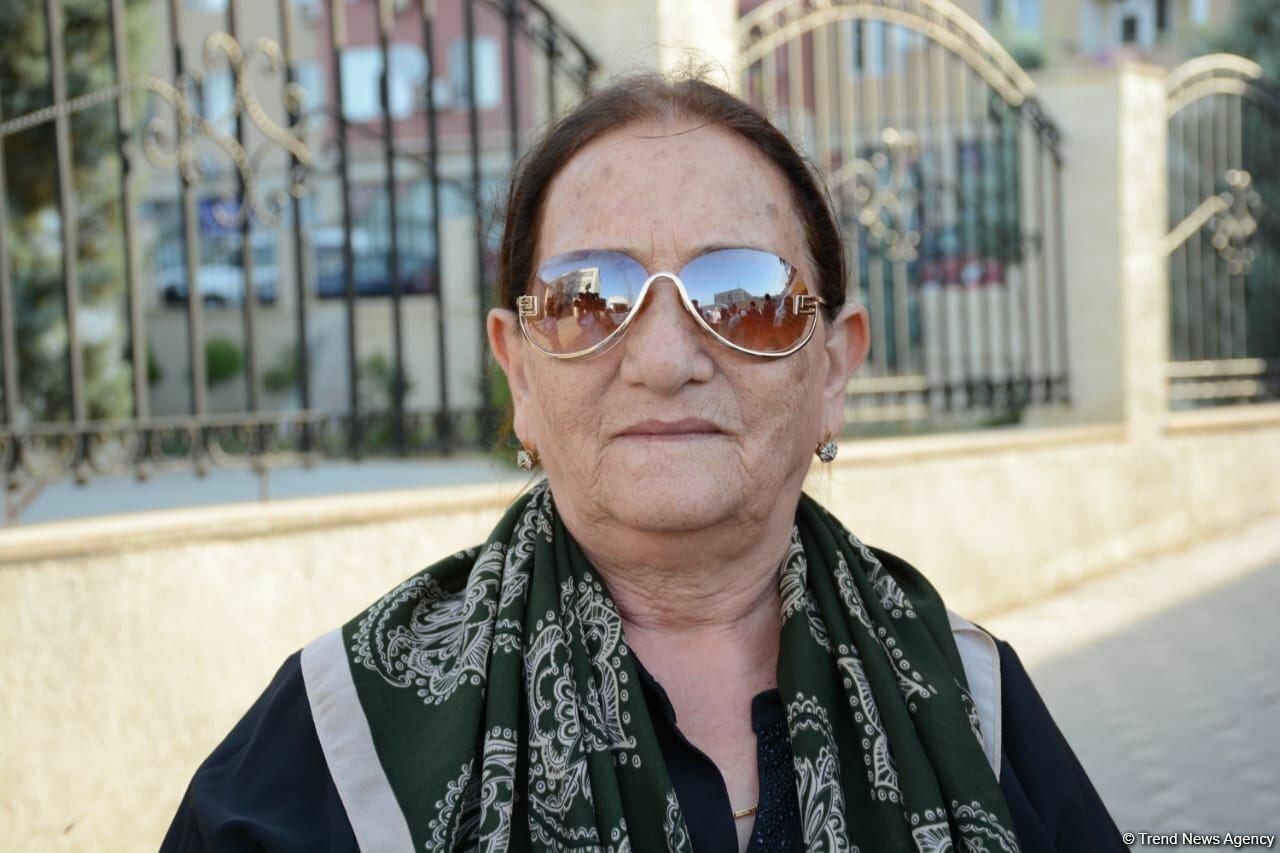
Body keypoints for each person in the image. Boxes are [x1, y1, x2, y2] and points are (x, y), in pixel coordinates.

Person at [162, 70, 1126, 852]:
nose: (665, 360)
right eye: (589, 299)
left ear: (833, 369)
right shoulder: (341, 737)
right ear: (519, 371)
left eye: (744, 295)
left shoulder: (974, 703)